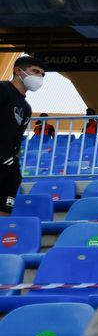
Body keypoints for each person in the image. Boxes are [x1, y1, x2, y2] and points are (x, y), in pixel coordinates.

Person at [0, 57, 42, 217]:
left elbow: (17, 139)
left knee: (4, 214)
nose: (39, 77)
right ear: (18, 71)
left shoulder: (26, 107)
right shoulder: (2, 90)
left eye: (42, 75)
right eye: (35, 72)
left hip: (9, 169)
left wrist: (14, 166)